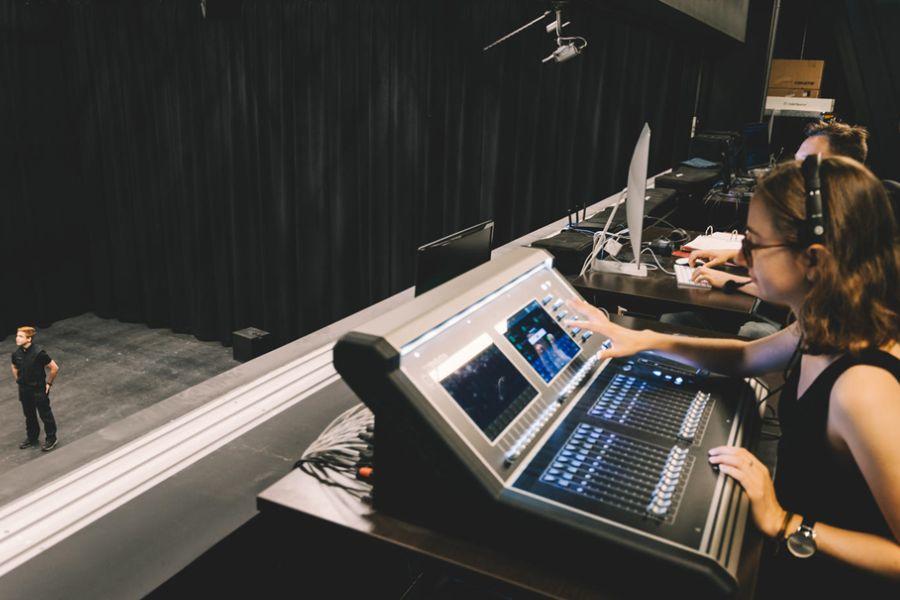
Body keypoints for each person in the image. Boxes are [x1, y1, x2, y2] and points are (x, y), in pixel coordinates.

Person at [568, 156, 900, 594]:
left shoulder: (862, 390)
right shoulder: (824, 322)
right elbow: (745, 358)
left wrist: (786, 523)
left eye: (754, 244)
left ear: (813, 260)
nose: (741, 258)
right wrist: (643, 339)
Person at [11, 326, 60, 451]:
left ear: (29, 339)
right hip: (24, 390)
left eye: (20, 336)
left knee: (45, 414)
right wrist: (19, 380)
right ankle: (32, 437)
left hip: (38, 389)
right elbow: (14, 367)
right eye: (17, 335)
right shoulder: (17, 354)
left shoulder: (39, 353)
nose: (17, 338)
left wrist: (48, 384)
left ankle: (51, 438)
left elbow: (54, 368)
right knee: (29, 415)